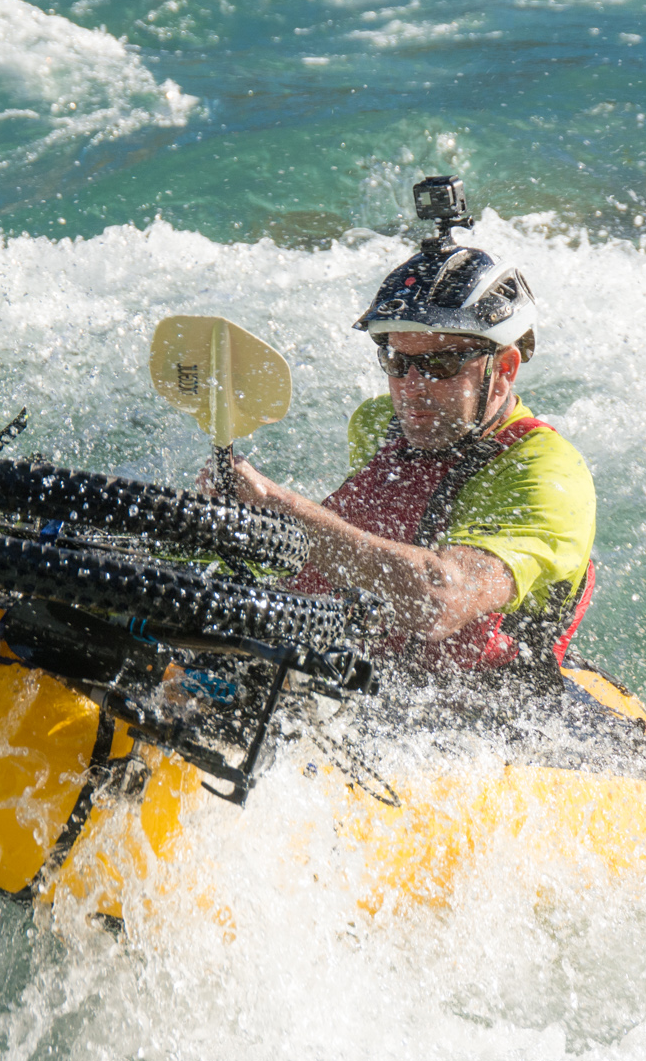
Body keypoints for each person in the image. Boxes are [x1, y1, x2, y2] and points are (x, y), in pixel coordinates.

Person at [214, 211, 608, 698]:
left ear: (503, 370)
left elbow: (438, 600)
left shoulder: (548, 475)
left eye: (440, 365)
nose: (411, 390)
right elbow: (346, 551)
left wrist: (284, 511)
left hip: (485, 709)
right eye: (397, 362)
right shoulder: (382, 425)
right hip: (371, 675)